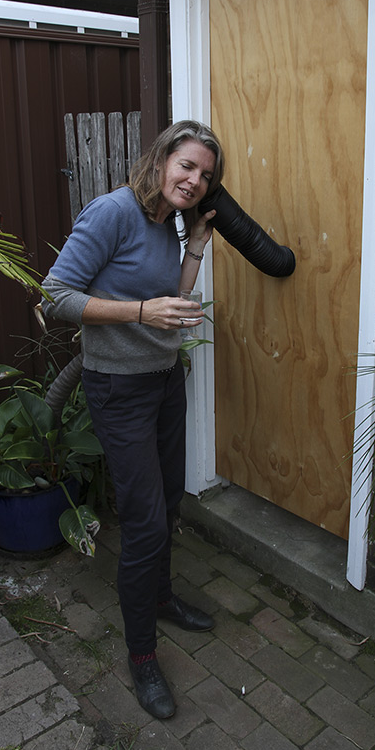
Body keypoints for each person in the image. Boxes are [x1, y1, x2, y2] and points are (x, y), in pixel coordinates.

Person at [41, 119, 225, 719]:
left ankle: (162, 597)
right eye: (187, 166)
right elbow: (57, 295)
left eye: (204, 174)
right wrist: (141, 311)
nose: (195, 180)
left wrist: (196, 244)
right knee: (144, 522)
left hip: (165, 380)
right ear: (161, 158)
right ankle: (142, 656)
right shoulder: (113, 212)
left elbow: (168, 294)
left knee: (169, 499)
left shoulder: (165, 220)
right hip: (119, 391)